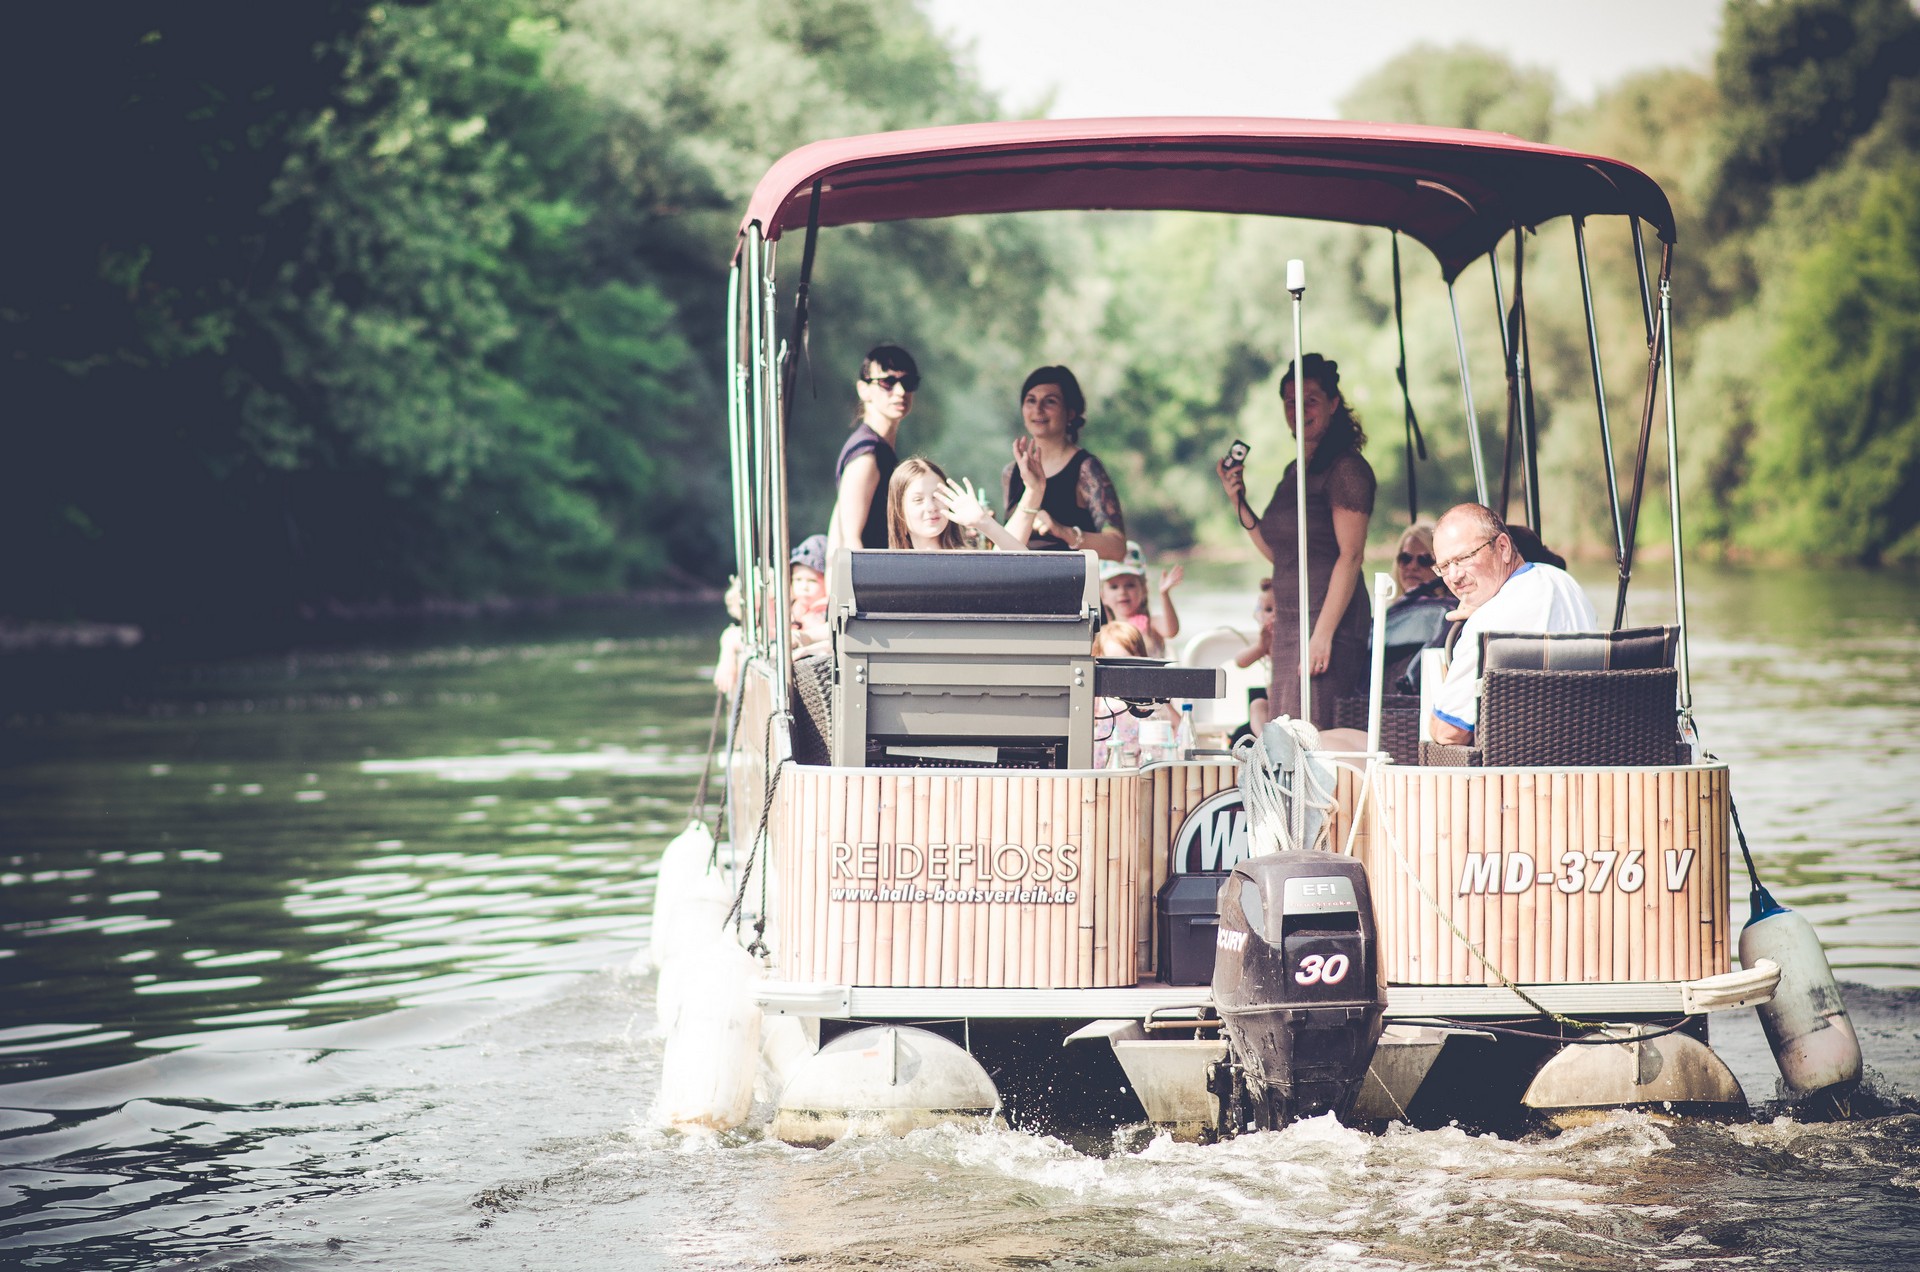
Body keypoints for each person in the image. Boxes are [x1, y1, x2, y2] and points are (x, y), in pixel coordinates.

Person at [1216, 353, 1375, 731]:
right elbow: (1279, 554)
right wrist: (1237, 499)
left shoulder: (1346, 469)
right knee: (1284, 733)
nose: (1299, 410)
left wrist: (1322, 635)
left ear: (1334, 404)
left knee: (1313, 735)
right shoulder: (1295, 471)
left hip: (1328, 620)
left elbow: (1351, 556)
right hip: (1290, 622)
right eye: (1291, 402)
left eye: (1311, 401)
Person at [1426, 502, 1598, 745]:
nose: (1454, 576)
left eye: (1463, 558)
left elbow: (1449, 731)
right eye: (1444, 566)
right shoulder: (1564, 582)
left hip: (1519, 770)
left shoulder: (1487, 624)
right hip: (1594, 754)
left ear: (1504, 547)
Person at [1001, 366, 1128, 561]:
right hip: (1019, 586)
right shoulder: (1011, 473)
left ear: (1070, 413)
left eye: (1050, 401)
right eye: (1031, 400)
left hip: (1073, 587)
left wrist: (1063, 532)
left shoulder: (1086, 468)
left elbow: (1117, 548)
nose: (1038, 409)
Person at [830, 344, 918, 554]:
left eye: (908, 382)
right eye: (887, 382)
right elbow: (850, 540)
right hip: (869, 581)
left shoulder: (876, 448)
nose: (900, 391)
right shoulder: (866, 453)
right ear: (863, 389)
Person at [886, 456, 1034, 552]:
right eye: (918, 500)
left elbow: (1025, 564)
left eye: (938, 496)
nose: (931, 507)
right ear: (899, 511)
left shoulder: (967, 559)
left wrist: (983, 521)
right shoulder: (887, 567)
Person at [1380, 521, 1455, 687]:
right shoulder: (1389, 611)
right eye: (1405, 558)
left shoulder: (1451, 614)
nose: (1412, 567)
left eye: (1425, 560)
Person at [1099, 541, 1182, 657]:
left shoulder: (1151, 624)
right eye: (1114, 587)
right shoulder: (1103, 632)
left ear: (1143, 590)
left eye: (1130, 585)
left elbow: (1171, 630)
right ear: (1102, 596)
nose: (1122, 592)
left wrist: (1164, 595)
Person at [788, 533, 831, 654]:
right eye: (798, 579)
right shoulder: (792, 608)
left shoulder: (827, 611)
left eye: (812, 581)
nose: (804, 587)